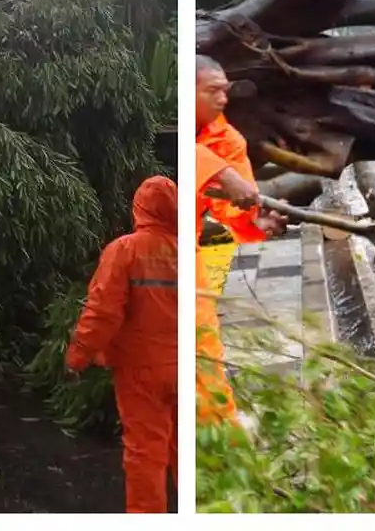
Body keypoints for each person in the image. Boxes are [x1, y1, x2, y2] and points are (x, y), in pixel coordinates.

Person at [65, 176, 178, 513]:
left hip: (141, 370)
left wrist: (76, 358)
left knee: (145, 453)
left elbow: (102, 313)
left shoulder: (125, 251)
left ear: (139, 209)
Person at [194, 55, 284, 426]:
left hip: (191, 251)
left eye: (225, 91)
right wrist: (216, 171)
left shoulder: (229, 140)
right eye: (212, 90)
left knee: (201, 345)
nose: (222, 99)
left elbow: (236, 207)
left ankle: (220, 438)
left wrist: (256, 219)